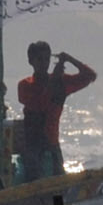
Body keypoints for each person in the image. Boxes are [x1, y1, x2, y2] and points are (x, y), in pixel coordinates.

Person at [14, 42, 96, 184]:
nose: (44, 64)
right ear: (31, 61)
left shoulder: (61, 81)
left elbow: (90, 76)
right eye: (39, 59)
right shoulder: (25, 85)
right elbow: (40, 105)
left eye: (46, 59)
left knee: (60, 185)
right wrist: (53, 81)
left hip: (52, 143)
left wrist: (70, 59)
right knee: (33, 183)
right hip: (33, 144)